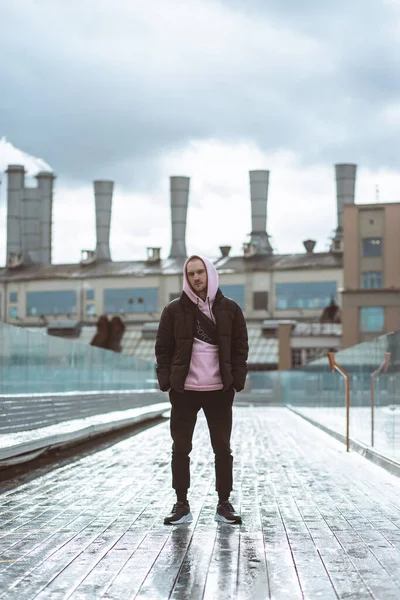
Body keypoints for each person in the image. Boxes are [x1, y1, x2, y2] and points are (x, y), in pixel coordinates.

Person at [155, 255, 248, 525]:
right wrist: (169, 382)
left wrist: (235, 381)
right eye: (191, 273)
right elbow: (163, 348)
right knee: (180, 447)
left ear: (210, 274)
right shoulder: (173, 310)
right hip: (185, 391)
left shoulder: (230, 309)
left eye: (200, 272)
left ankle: (224, 503)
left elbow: (241, 346)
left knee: (222, 448)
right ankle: (181, 503)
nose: (196, 278)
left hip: (219, 390)